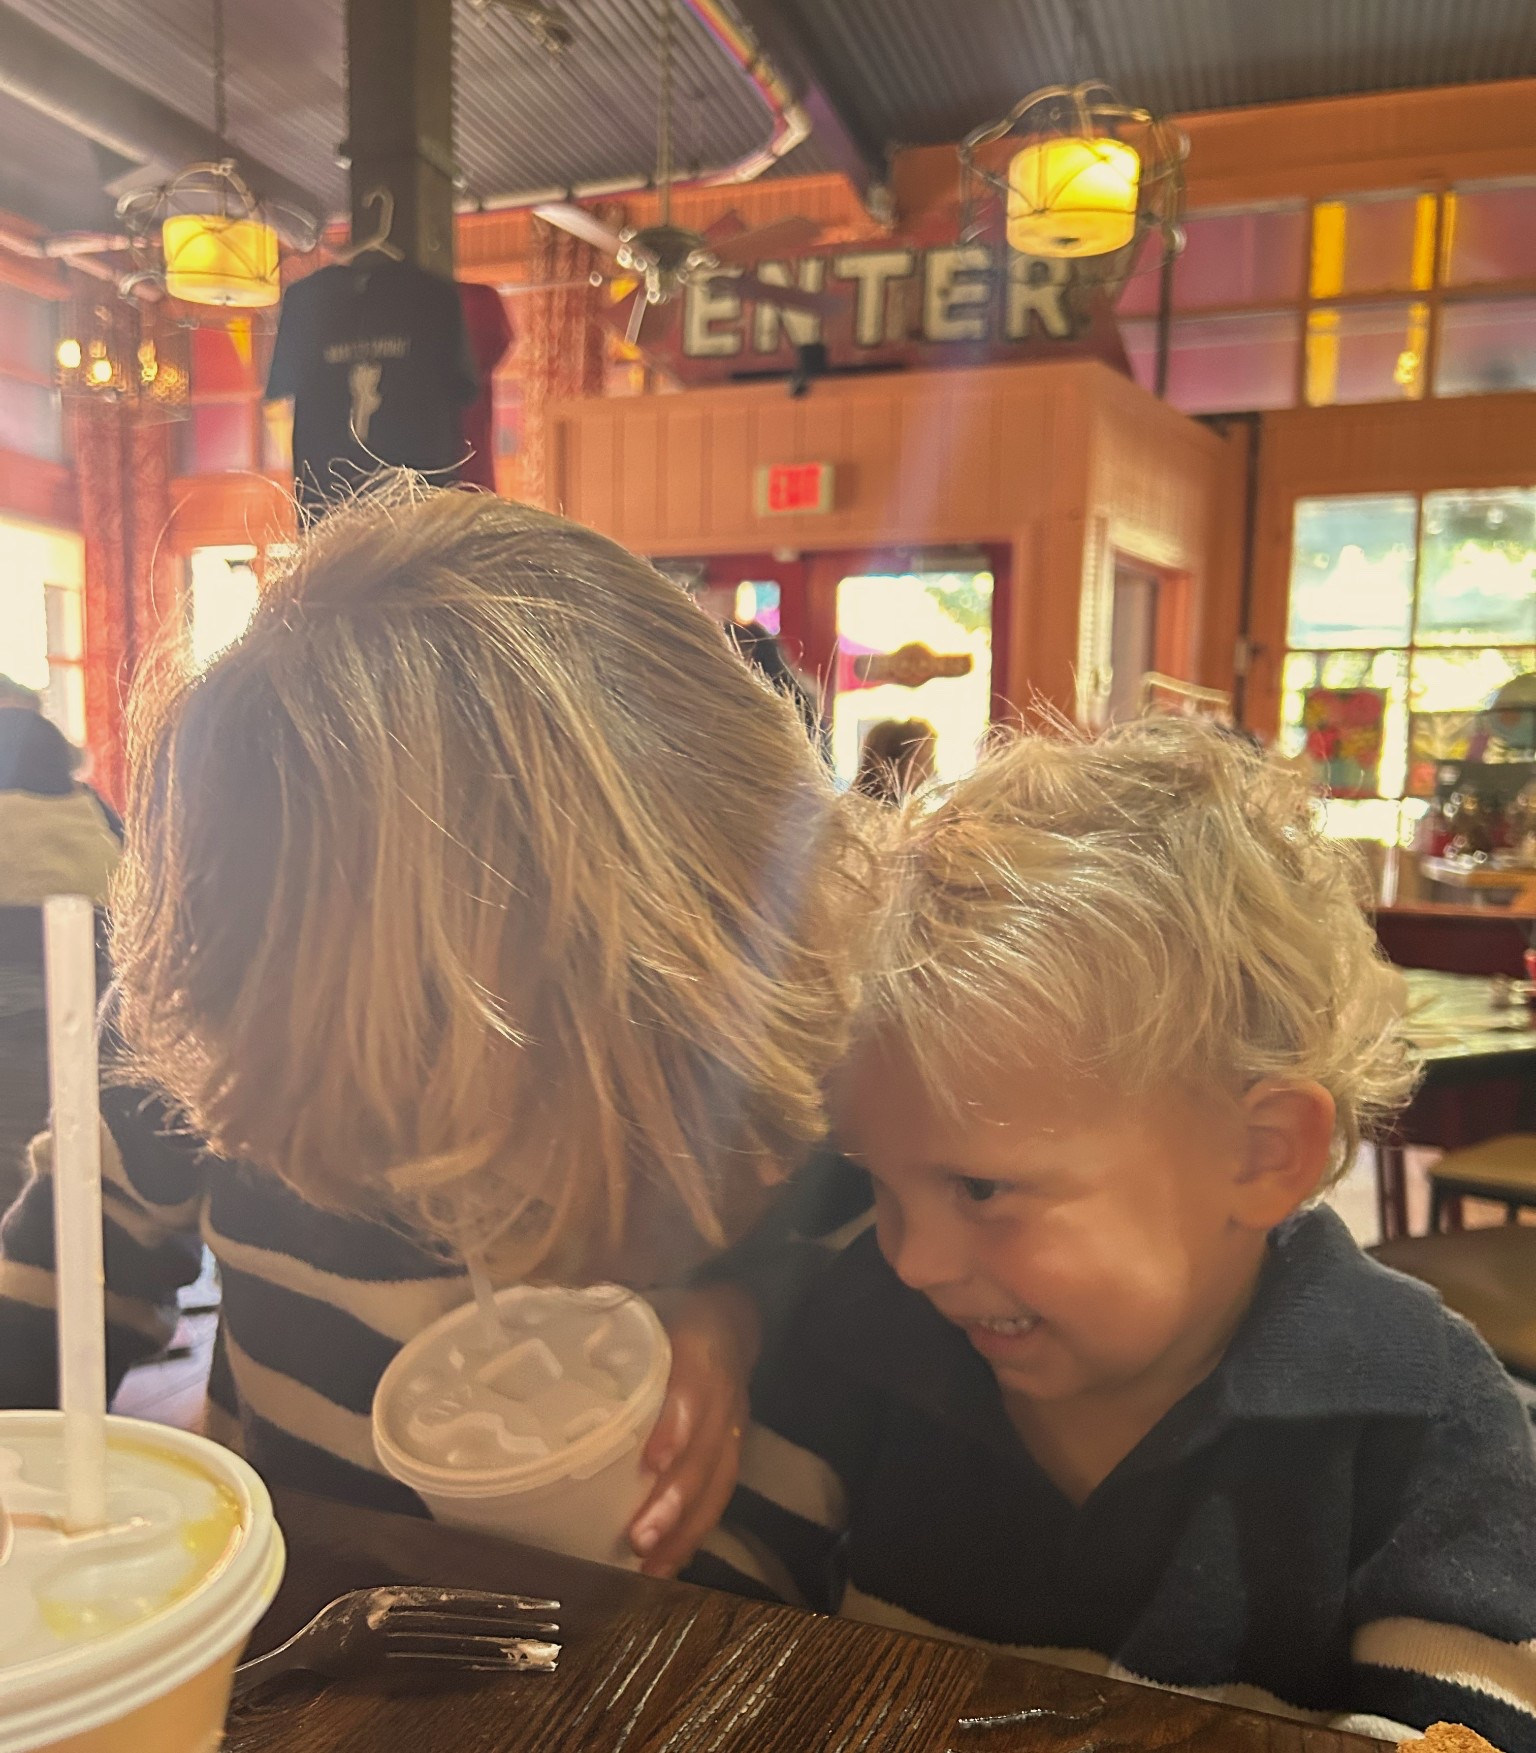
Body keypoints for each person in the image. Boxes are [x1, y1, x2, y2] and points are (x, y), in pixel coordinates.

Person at [0, 484, 862, 1575]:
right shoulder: (240, 1021)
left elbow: (884, 1276)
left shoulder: (819, 1066)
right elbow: (58, 1284)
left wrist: (747, 1304)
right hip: (303, 1624)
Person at [697, 716, 1536, 1748]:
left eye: (981, 1188)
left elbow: (1465, 1727)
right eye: (883, 1183)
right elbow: (714, 1620)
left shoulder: (1425, 1422)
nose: (912, 1259)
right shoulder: (865, 1332)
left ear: (1258, 1155)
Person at [0, 706, 120, 1211]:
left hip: (13, 1022)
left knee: (17, 1188)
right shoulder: (94, 815)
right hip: (104, 1024)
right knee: (81, 1183)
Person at [852, 718, 936, 805]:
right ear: (894, 764)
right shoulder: (867, 811)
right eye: (927, 762)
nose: (933, 770)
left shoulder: (856, 804)